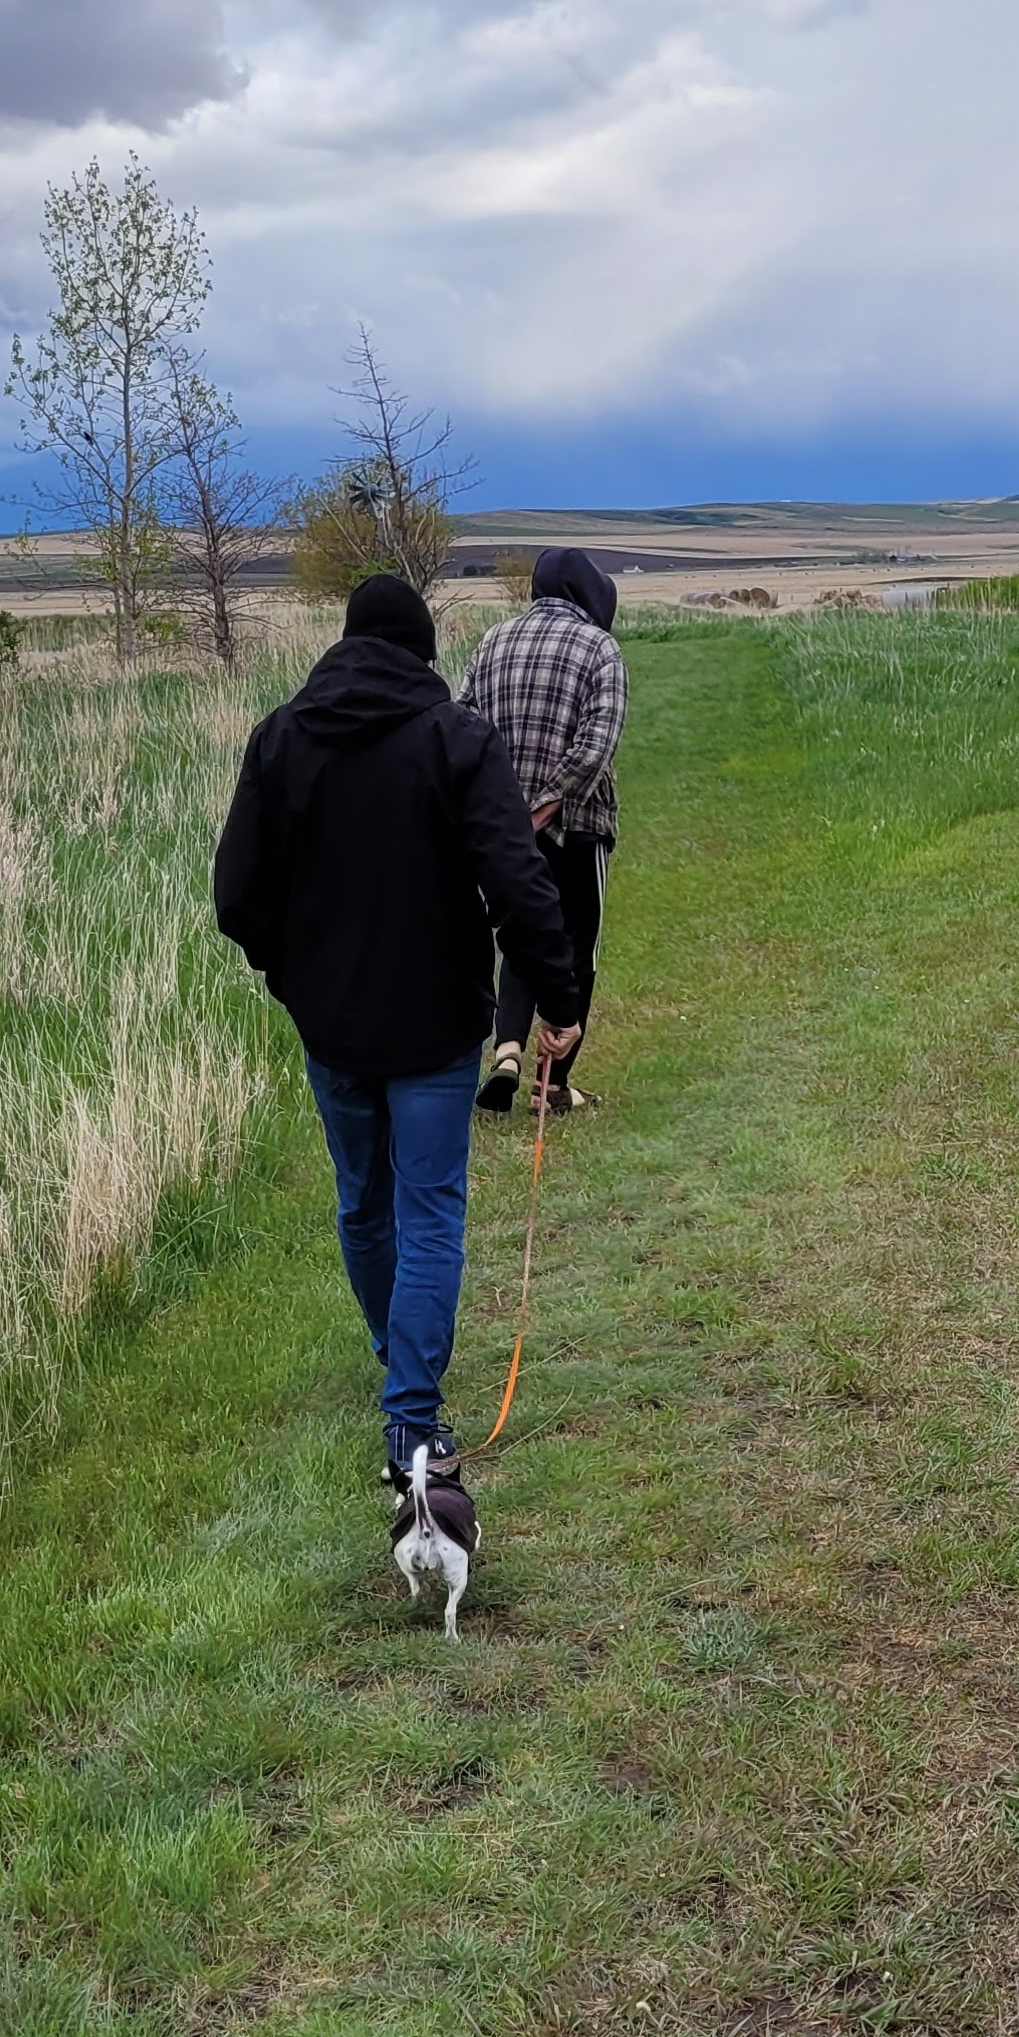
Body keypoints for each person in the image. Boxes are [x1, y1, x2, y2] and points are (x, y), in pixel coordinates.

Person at [213, 571, 582, 1493]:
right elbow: (519, 879)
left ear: (345, 643)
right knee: (430, 1214)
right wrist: (560, 997)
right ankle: (411, 1411)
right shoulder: (458, 739)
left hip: (332, 1027)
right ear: (423, 651)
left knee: (364, 1204)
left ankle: (401, 1367)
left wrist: (293, 978)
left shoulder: (281, 739)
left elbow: (237, 897)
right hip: (436, 1025)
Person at [462, 546, 625, 1111]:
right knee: (578, 947)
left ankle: (507, 1048)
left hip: (501, 829)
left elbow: (462, 726)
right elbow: (596, 746)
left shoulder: (492, 641)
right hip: (578, 825)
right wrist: (548, 802)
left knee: (521, 933)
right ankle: (551, 1085)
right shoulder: (600, 647)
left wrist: (499, 811)